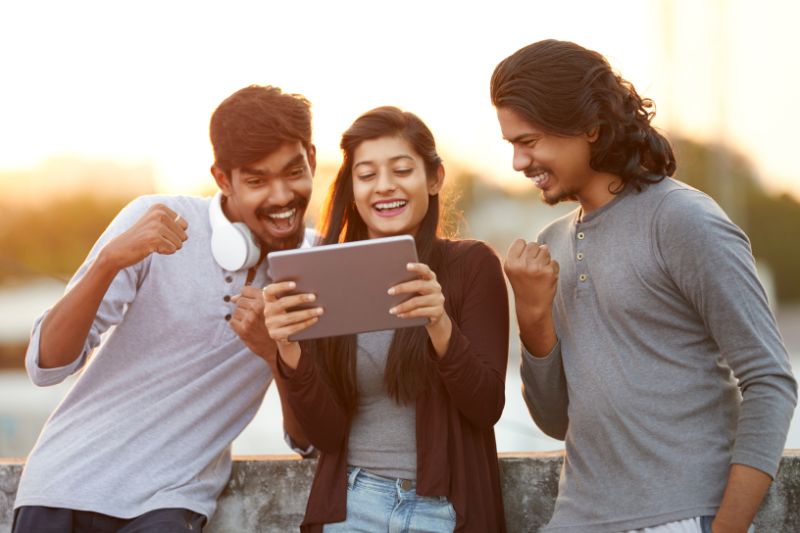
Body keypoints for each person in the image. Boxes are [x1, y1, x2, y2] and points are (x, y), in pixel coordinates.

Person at [491, 39, 797, 533]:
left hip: (679, 517)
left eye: (529, 142)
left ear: (589, 128)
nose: (519, 163)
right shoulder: (551, 246)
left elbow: (770, 380)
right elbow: (555, 421)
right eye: (511, 145)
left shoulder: (683, 220)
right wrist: (531, 318)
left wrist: (725, 528)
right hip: (575, 521)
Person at [13, 85, 317, 532]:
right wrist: (108, 262)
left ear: (312, 156)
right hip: (62, 484)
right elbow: (46, 366)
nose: (281, 196)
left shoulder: (317, 270)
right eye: (257, 181)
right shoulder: (157, 218)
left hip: (169, 503)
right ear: (223, 178)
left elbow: (308, 442)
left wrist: (273, 353)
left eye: (293, 172)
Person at [262, 107, 509, 532]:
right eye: (367, 174)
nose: (384, 187)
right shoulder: (325, 275)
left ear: (434, 179)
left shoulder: (472, 265)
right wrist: (287, 350)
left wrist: (440, 325)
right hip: (351, 504)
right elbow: (324, 434)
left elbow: (486, 406)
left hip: (444, 510)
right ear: (352, 190)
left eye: (401, 169)